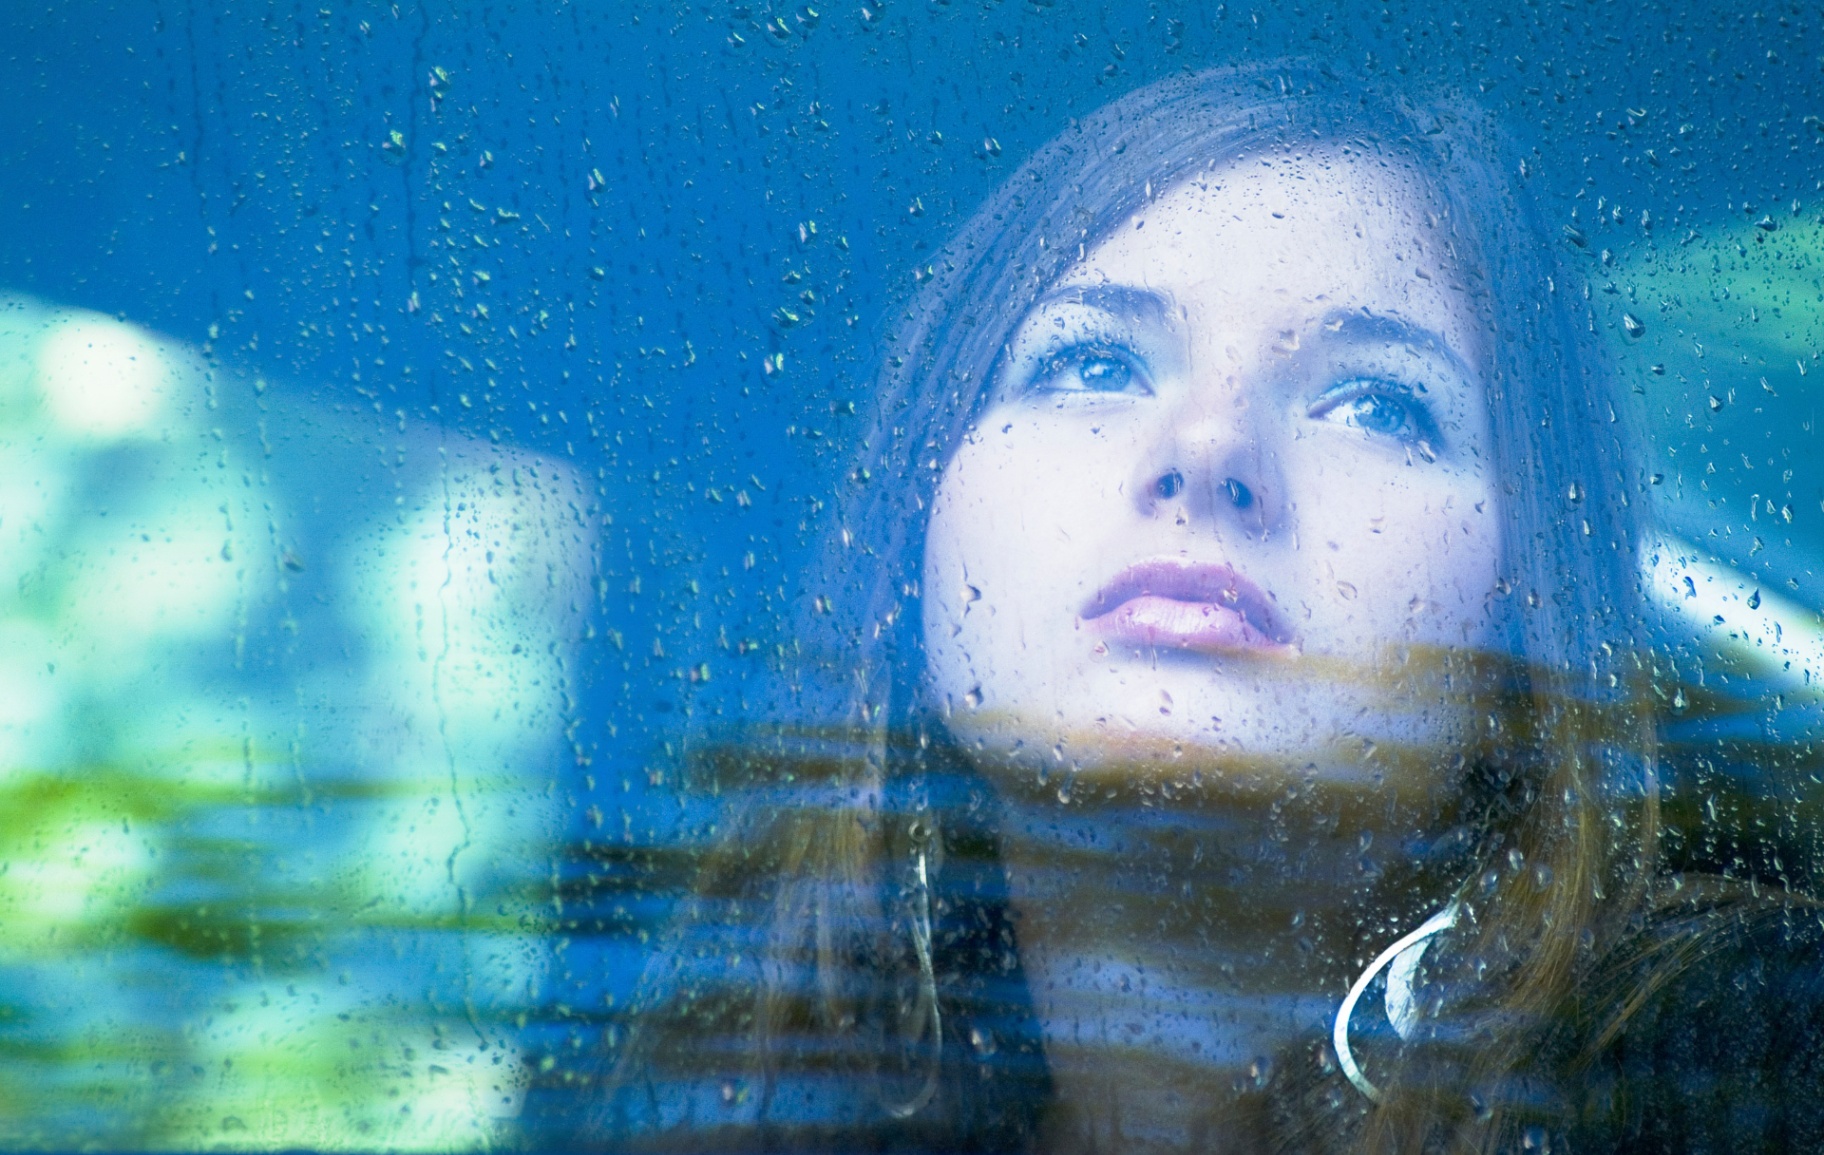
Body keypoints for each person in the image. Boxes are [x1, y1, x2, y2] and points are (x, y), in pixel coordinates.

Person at [594, 63, 1824, 1155]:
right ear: (916, 525)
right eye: (1091, 363)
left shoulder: (1743, 1057)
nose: (1208, 449)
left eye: (1378, 405)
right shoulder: (734, 1105)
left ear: (1527, 599)